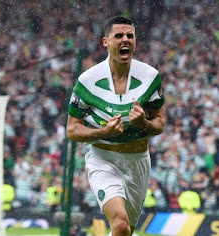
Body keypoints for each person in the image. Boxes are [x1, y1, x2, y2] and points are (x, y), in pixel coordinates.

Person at [66, 15, 165, 236]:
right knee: (120, 223)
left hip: (138, 161)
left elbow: (159, 124)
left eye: (130, 36)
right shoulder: (87, 81)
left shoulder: (150, 77)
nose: (125, 40)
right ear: (105, 42)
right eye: (118, 35)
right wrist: (103, 132)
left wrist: (143, 123)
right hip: (103, 159)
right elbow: (72, 129)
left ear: (136, 41)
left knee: (126, 231)